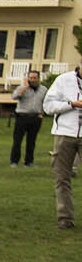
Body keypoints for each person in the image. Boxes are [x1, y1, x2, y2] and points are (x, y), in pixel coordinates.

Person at [46, 64, 81, 229]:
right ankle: (65, 218)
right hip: (64, 134)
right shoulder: (63, 80)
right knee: (62, 177)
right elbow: (48, 106)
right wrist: (72, 104)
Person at [10, 69, 47, 165]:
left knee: (31, 141)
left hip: (35, 118)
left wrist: (42, 113)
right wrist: (25, 87)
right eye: (31, 78)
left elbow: (46, 102)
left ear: (38, 78)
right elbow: (14, 97)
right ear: (28, 78)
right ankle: (14, 161)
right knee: (17, 141)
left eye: (35, 78)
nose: (33, 80)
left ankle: (29, 161)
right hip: (22, 117)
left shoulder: (43, 89)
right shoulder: (21, 87)